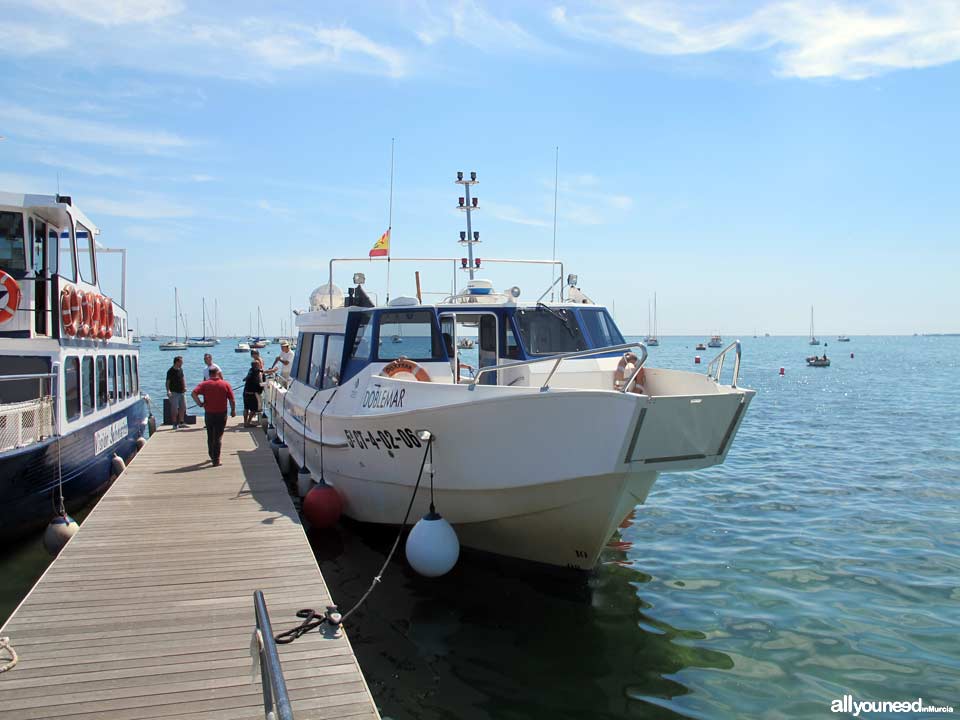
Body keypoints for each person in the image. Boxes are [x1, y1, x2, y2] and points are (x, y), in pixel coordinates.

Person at [191, 367, 236, 466]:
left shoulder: (204, 384)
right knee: (218, 437)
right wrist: (233, 410)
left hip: (209, 413)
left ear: (209, 374)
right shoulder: (225, 384)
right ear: (218, 373)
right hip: (221, 413)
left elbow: (193, 393)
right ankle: (216, 460)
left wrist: (199, 403)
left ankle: (212, 454)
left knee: (210, 435)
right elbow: (232, 399)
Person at [165, 355, 187, 428]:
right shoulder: (170, 371)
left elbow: (183, 378)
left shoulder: (180, 369)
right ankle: (174, 423)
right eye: (181, 362)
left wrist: (184, 386)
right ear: (177, 362)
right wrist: (168, 391)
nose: (182, 363)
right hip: (174, 392)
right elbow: (167, 382)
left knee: (183, 407)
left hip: (181, 392)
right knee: (174, 409)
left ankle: (181, 421)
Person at [242, 360, 265, 427]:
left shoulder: (250, 370)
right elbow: (265, 372)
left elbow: (245, 378)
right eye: (258, 364)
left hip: (245, 393)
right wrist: (273, 370)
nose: (259, 365)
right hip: (252, 394)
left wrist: (246, 379)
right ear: (256, 365)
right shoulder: (257, 371)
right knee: (254, 409)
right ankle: (248, 423)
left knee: (246, 408)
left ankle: (245, 422)